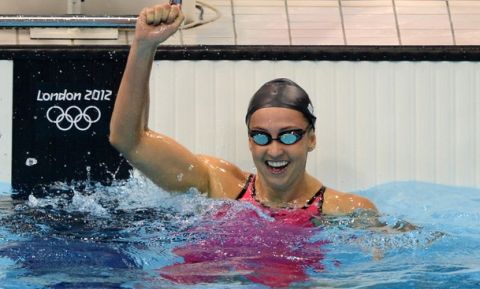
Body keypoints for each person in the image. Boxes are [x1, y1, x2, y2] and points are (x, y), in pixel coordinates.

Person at [109, 3, 377, 224]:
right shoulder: (217, 185)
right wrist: (144, 46)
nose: (274, 151)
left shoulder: (347, 211)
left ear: (311, 139)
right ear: (249, 141)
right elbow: (129, 140)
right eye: (261, 137)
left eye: (288, 136)